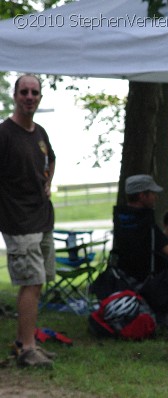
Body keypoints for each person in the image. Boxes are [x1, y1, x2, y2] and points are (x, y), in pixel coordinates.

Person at [0, 74, 56, 368]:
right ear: (15, 95)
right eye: (24, 92)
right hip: (19, 222)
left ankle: (26, 341)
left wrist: (48, 183)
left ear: (40, 97)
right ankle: (27, 350)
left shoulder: (39, 132)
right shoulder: (5, 134)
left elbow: (52, 159)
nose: (29, 97)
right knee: (31, 282)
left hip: (42, 218)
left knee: (39, 282)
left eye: (34, 92)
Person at [111, 175, 168, 314]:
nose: (156, 197)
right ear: (142, 195)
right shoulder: (145, 223)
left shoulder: (121, 218)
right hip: (152, 284)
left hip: (125, 279)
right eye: (152, 193)